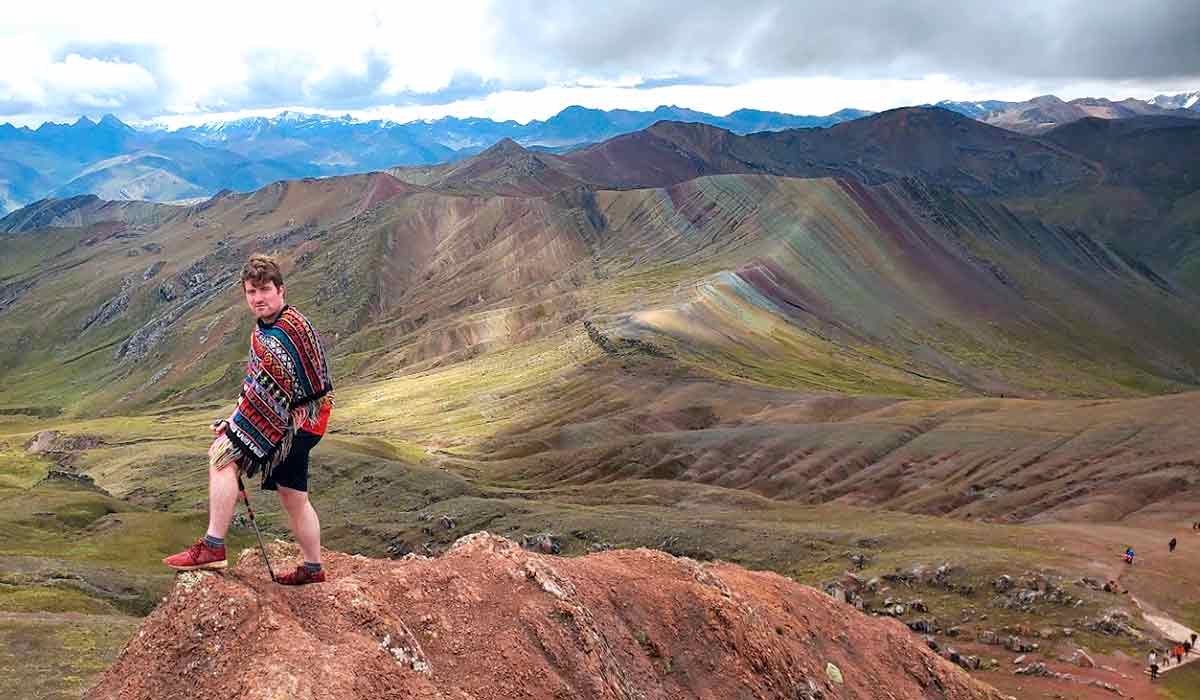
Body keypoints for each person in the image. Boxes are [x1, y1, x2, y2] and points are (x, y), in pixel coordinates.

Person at [163, 254, 334, 585]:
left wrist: (239, 427)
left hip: (299, 421)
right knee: (293, 495)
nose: (258, 298)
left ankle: (213, 545)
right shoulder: (263, 331)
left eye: (265, 290)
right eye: (251, 292)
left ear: (280, 289)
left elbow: (297, 392)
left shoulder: (294, 329)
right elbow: (258, 386)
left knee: (222, 454)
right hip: (297, 423)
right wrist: (236, 419)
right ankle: (314, 568)